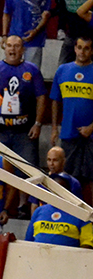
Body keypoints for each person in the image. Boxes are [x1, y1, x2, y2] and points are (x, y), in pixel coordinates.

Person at [0, 34, 46, 193]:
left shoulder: (32, 70)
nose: (12, 49)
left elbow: (41, 97)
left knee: (29, 172)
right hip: (0, 132)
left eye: (16, 46)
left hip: (25, 132)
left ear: (23, 49)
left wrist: (37, 123)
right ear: (4, 47)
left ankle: (24, 205)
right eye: (9, 45)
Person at [51, 34, 93, 202]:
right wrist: (54, 127)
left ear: (91, 51)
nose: (82, 52)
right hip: (68, 133)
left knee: (91, 177)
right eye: (79, 47)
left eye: (87, 48)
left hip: (91, 136)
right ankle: (68, 211)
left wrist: (91, 127)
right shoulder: (63, 70)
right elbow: (55, 100)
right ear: (75, 48)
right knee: (66, 177)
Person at [2, 0, 51, 68]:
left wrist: (36, 31)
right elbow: (6, 13)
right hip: (14, 37)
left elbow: (46, 15)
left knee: (31, 71)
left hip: (35, 40)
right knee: (10, 69)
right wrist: (4, 35)